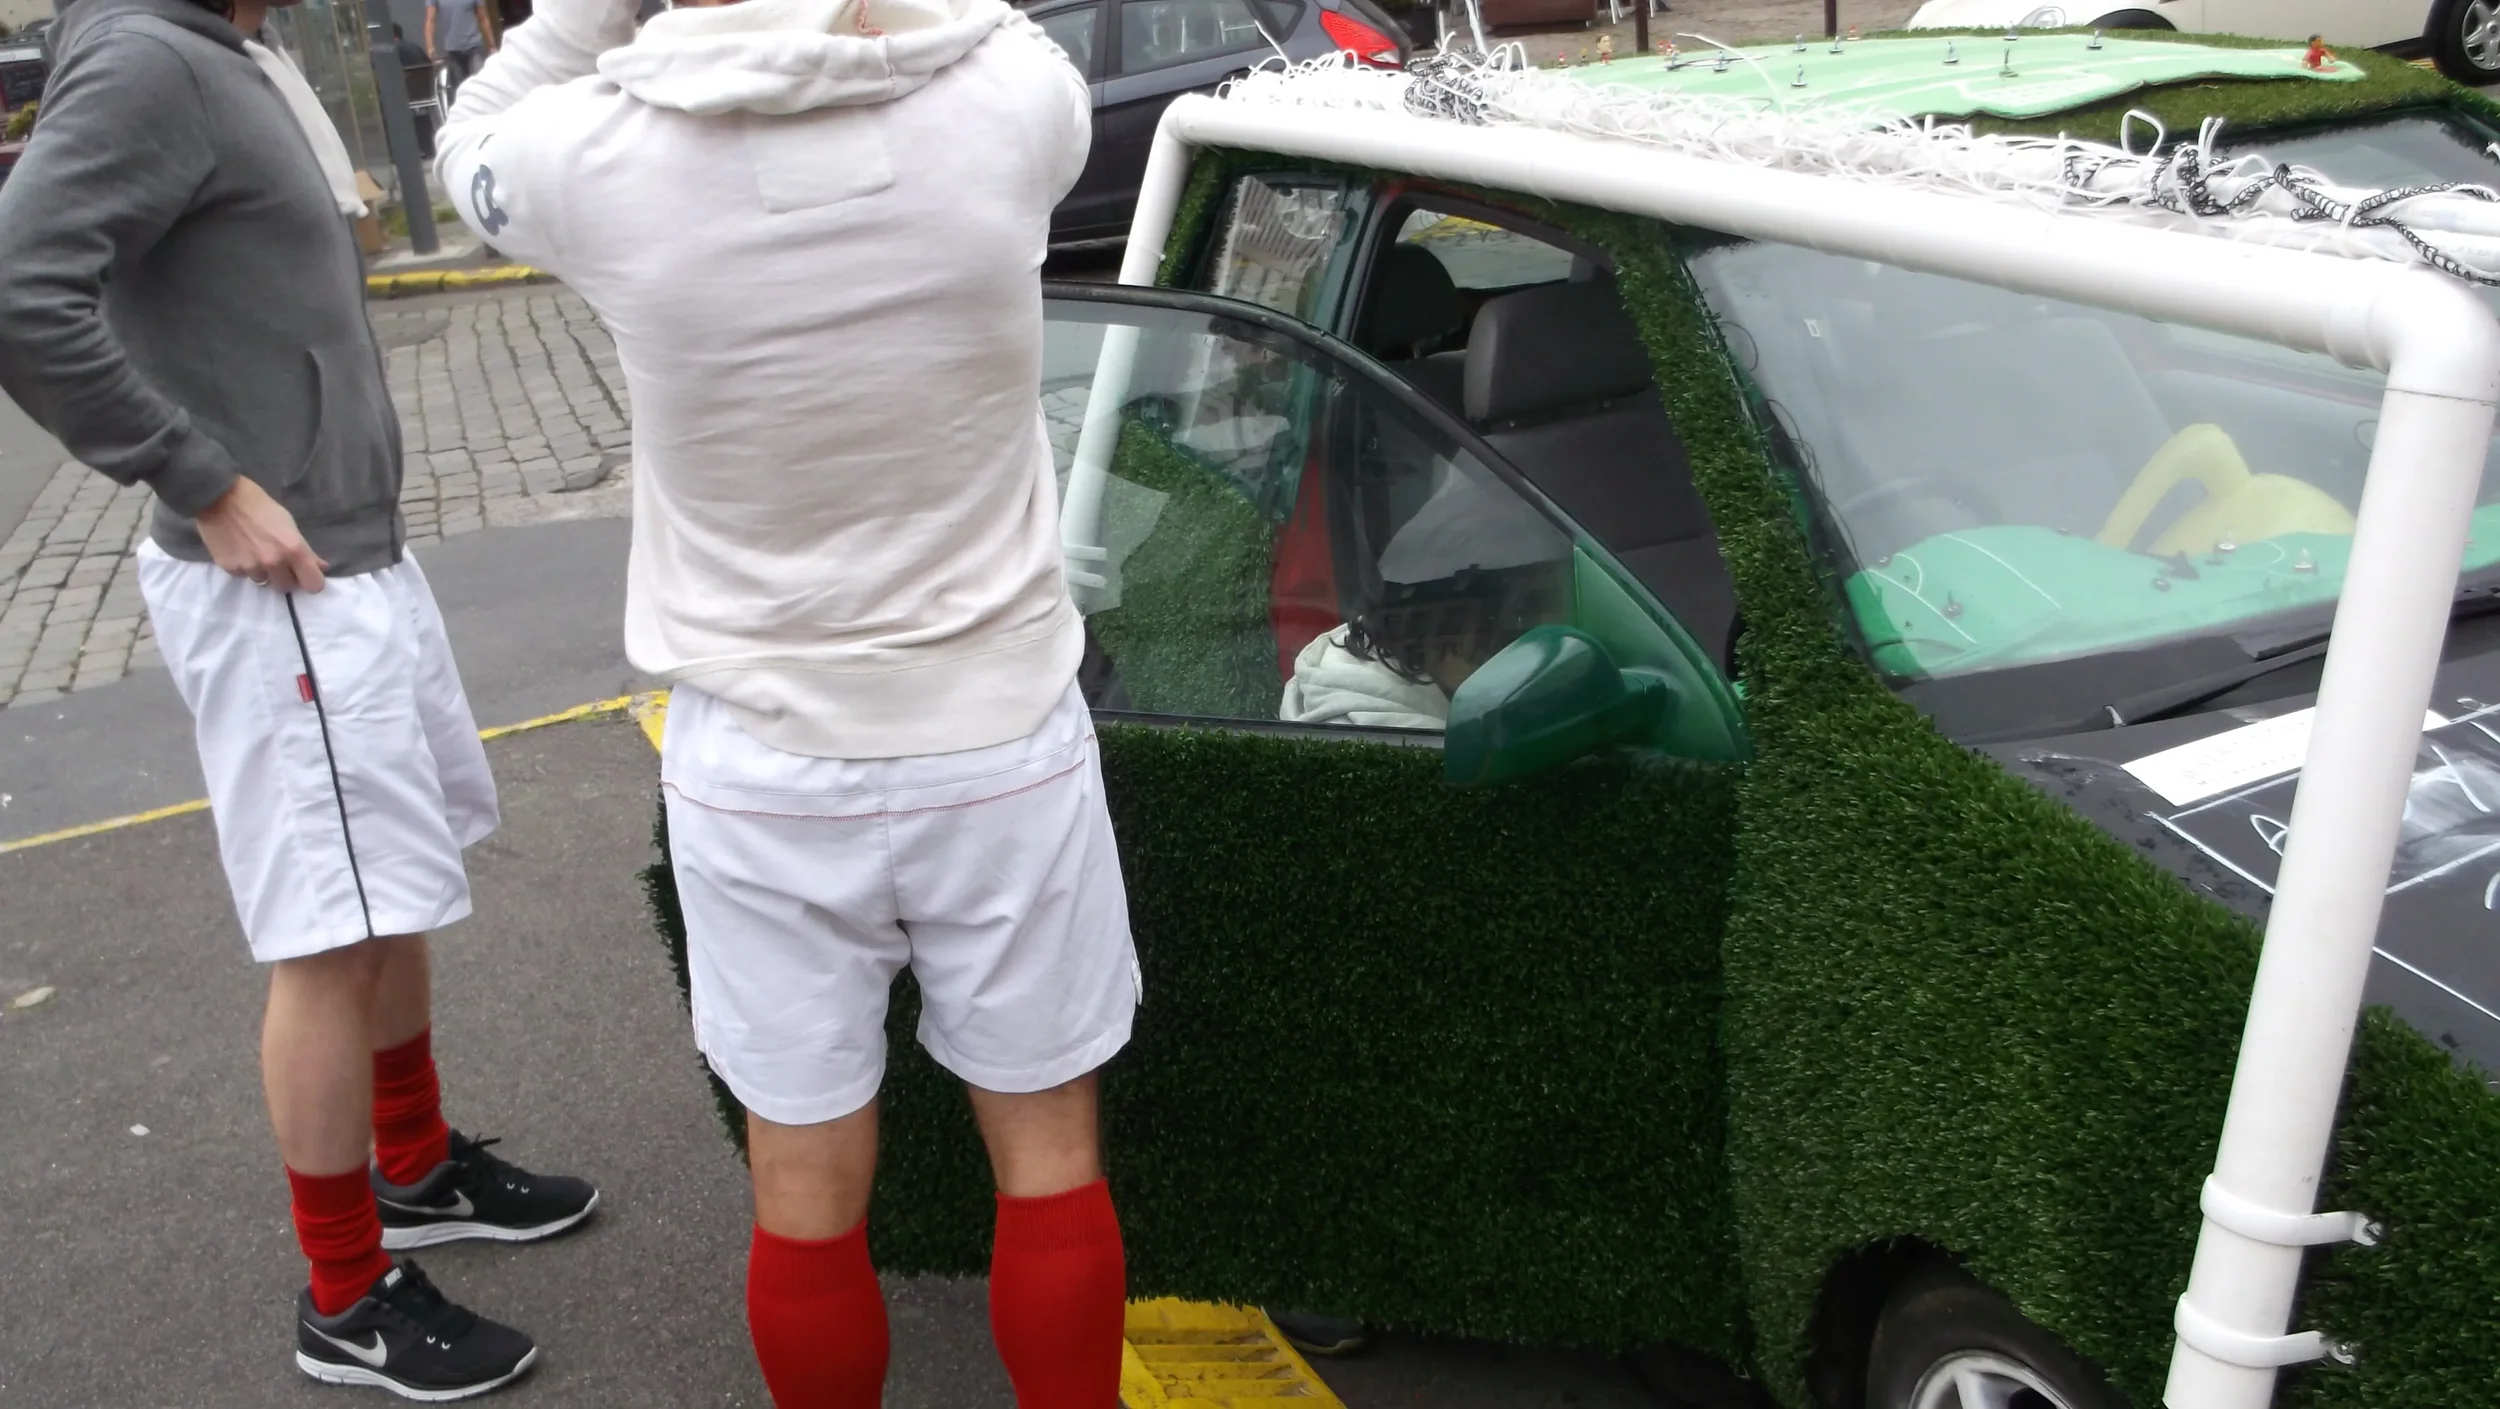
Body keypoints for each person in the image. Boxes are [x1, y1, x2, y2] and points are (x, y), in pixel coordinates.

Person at [436, 0, 1129, 1403]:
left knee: (804, 1180)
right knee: (1048, 1155)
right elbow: (1005, 37)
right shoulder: (1008, 95)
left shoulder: (596, 154)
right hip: (994, 734)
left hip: (760, 762)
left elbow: (468, 143)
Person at [0, 0, 597, 1399]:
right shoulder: (152, 59)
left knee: (385, 886)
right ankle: (344, 1295)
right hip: (278, 582)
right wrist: (196, 477)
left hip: (338, 557)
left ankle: (415, 1164)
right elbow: (19, 279)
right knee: (330, 927)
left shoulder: (220, 50)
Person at [425, 0, 495, 105]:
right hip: (453, 50)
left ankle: (487, 111)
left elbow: (483, 17)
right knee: (461, 89)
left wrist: (492, 45)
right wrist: (430, 47)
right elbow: (430, 20)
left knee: (480, 83)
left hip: (474, 45)